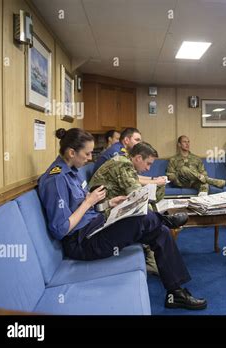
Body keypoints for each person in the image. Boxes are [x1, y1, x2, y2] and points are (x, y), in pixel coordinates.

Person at [38, 128, 207, 310]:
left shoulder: (72, 172)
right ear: (72, 152)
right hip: (81, 243)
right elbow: (60, 229)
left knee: (161, 232)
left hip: (95, 226)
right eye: (87, 154)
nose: (89, 158)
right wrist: (88, 202)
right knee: (140, 219)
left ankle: (176, 293)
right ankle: (164, 219)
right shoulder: (55, 180)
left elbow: (83, 209)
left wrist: (110, 203)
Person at [89, 141, 164, 276]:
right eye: (148, 163)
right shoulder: (124, 164)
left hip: (105, 208)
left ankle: (153, 259)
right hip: (101, 215)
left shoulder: (124, 162)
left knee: (149, 214)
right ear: (138, 158)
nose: (148, 169)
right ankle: (153, 261)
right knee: (146, 215)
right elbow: (137, 194)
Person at [94, 127, 166, 201]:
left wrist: (153, 180)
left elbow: (132, 177)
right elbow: (136, 192)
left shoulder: (125, 156)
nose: (139, 143)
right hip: (104, 201)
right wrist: (154, 182)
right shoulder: (120, 157)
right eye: (137, 140)